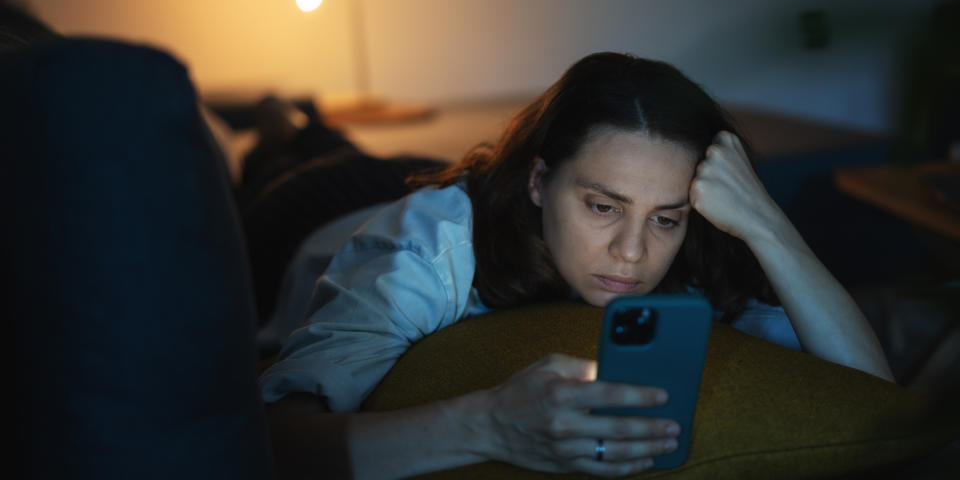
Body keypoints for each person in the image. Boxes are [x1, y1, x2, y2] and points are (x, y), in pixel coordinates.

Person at [259, 52, 893, 479]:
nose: (633, 252)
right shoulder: (425, 250)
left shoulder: (695, 244)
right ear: (540, 181)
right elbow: (275, 444)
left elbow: (873, 406)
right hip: (321, 210)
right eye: (601, 206)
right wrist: (487, 426)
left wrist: (768, 223)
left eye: (665, 217)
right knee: (288, 157)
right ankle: (280, 126)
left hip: (476, 182)